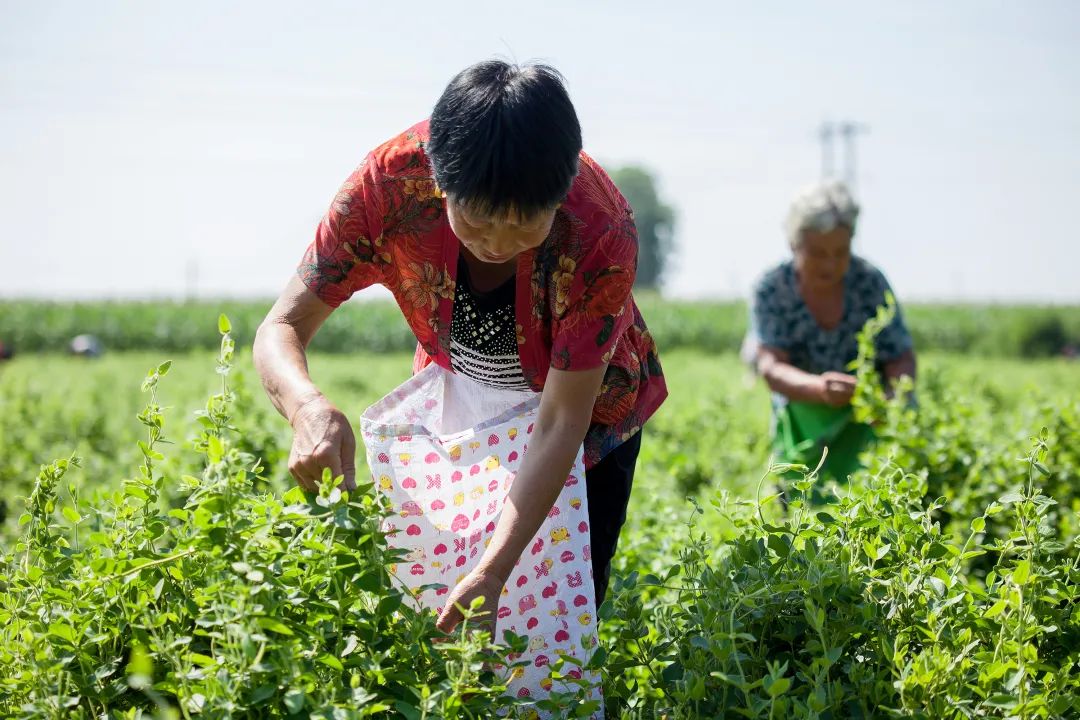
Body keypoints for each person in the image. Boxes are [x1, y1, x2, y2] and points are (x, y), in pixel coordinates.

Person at [253, 60, 667, 634]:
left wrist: (494, 572)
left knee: (555, 616)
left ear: (561, 195)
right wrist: (306, 408)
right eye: (476, 221)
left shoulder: (601, 226)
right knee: (434, 597)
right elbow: (281, 326)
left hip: (582, 421)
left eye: (526, 226)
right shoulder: (388, 186)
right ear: (439, 183)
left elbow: (561, 420)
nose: (497, 244)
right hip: (460, 409)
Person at [747, 180, 916, 495]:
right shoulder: (773, 289)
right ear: (794, 244)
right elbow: (771, 366)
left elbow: (900, 356)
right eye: (817, 253)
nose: (830, 264)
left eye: (841, 252)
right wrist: (820, 389)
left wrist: (891, 401)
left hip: (866, 416)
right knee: (798, 499)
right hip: (804, 412)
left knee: (878, 493)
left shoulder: (869, 283)